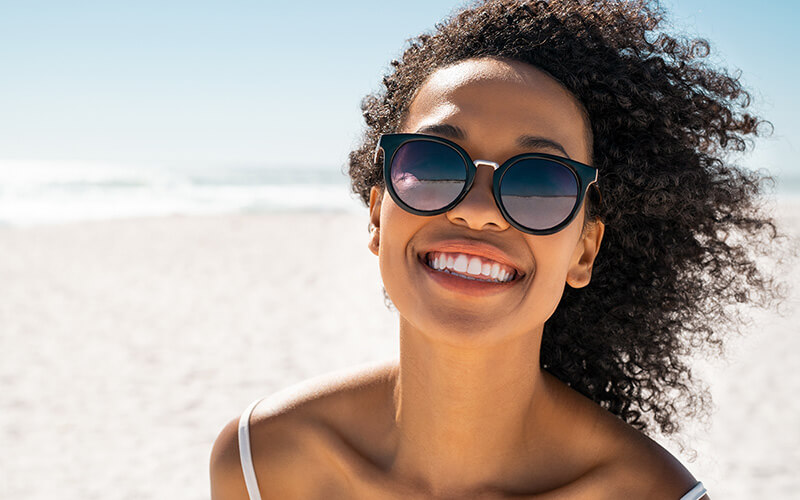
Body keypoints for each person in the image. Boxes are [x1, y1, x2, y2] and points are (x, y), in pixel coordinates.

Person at [210, 1, 782, 498]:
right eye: (433, 163)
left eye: (540, 181)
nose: (478, 209)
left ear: (584, 251)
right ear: (379, 213)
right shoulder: (262, 461)